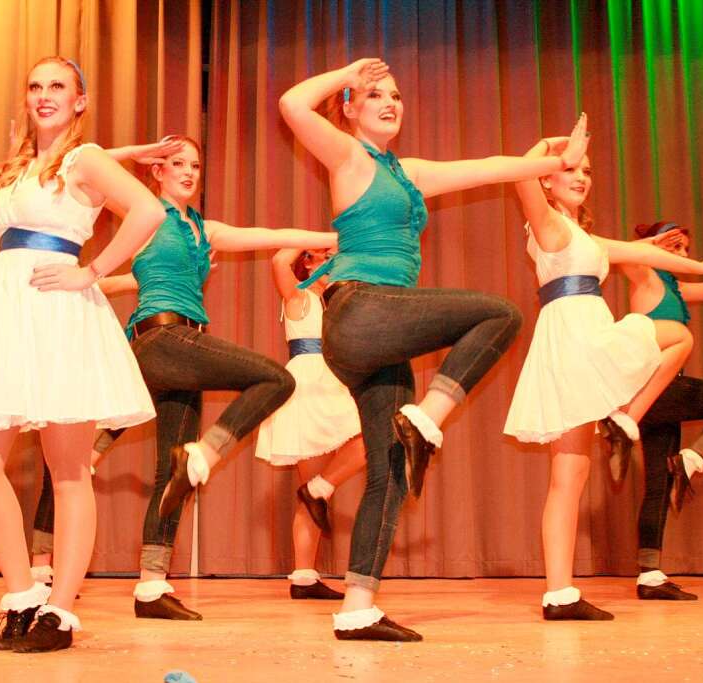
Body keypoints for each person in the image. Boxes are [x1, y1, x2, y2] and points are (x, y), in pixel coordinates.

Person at [279, 57, 585, 641]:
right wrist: (349, 70)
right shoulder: (347, 156)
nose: (390, 102)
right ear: (349, 108)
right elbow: (293, 104)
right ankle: (426, 418)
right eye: (374, 96)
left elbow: (488, 168)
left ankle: (357, 608)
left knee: (387, 470)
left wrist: (555, 161)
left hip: (381, 329)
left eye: (396, 95)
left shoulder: (409, 171)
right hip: (361, 310)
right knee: (499, 313)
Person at [0, 56, 165, 653]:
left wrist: (91, 272)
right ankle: (20, 594)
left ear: (80, 101)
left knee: (67, 469)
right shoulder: (14, 169)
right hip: (7, 319)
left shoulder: (84, 160)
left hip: (61, 314)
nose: (44, 95)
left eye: (57, 86)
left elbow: (148, 210)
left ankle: (60, 610)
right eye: (35, 85)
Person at [90, 135, 336, 620]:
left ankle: (151, 588)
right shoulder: (144, 213)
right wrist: (135, 153)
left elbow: (266, 234)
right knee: (275, 380)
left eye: (195, 165)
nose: (188, 171)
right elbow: (88, 166)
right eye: (177, 163)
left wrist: (327, 238)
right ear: (158, 171)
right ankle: (200, 453)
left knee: (171, 473)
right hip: (160, 340)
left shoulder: (205, 229)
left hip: (183, 350)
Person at [505, 129, 703, 621]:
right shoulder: (544, 224)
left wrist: (700, 264)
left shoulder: (583, 235)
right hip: (573, 336)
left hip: (583, 339)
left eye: (586, 171)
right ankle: (627, 419)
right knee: (677, 337)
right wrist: (548, 145)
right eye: (570, 170)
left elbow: (643, 254)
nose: (581, 176)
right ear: (545, 182)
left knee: (571, 476)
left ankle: (559, 594)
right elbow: (522, 174)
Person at [622, 221, 703, 600]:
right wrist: (649, 244)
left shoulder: (673, 287)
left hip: (653, 395)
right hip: (660, 387)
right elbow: (628, 258)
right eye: (675, 247)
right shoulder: (646, 279)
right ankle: (693, 458)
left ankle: (649, 576)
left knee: (657, 487)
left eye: (684, 249)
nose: (682, 255)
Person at [254, 247, 365, 601]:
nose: (328, 260)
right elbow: (277, 260)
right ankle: (304, 577)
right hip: (309, 384)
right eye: (318, 257)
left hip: (336, 380)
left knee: (316, 490)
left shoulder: (342, 300)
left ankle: (304, 574)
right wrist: (310, 239)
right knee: (313, 487)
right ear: (305, 264)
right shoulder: (297, 296)